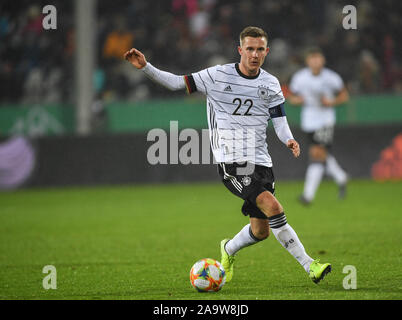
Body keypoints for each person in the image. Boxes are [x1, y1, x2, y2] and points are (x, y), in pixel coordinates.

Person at [124, 27, 331, 284]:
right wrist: (146, 67)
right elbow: (177, 82)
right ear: (240, 50)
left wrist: (288, 139)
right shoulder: (217, 75)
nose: (254, 54)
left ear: (266, 52)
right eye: (250, 49)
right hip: (231, 161)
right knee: (273, 206)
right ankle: (310, 265)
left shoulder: (271, 83)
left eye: (259, 50)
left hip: (262, 162)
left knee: (261, 230)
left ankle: (228, 249)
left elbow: (279, 121)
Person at [288, 47, 349, 205]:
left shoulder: (331, 78)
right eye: (312, 58)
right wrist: (297, 101)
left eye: (318, 58)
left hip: (325, 120)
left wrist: (332, 102)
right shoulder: (300, 78)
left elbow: (344, 95)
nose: (315, 62)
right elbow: (291, 97)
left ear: (323, 60)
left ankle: (308, 196)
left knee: (316, 153)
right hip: (309, 120)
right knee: (321, 154)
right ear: (308, 61)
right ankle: (341, 177)